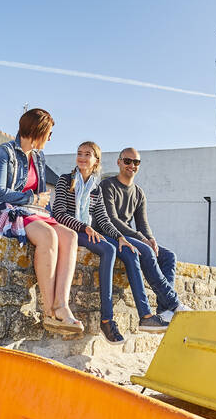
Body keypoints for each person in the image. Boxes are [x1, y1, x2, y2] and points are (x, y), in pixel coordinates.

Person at [52, 141, 171, 344]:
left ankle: (146, 316)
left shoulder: (95, 188)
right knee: (108, 249)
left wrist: (120, 237)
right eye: (79, 153)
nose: (82, 157)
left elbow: (104, 218)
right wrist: (84, 227)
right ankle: (107, 319)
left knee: (130, 251)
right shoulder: (65, 180)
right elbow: (59, 214)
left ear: (96, 160)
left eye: (87, 154)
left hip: (87, 230)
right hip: (71, 230)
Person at [0, 108, 83, 335]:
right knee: (48, 236)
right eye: (50, 133)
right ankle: (48, 310)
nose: (51, 138)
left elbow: (43, 195)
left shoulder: (38, 157)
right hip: (6, 211)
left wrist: (46, 210)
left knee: (70, 236)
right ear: (39, 130)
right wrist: (31, 198)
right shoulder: (3, 152)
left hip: (34, 212)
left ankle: (61, 306)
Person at [100, 147, 189, 322]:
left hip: (130, 236)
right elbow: (111, 219)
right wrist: (142, 239)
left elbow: (142, 223)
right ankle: (174, 303)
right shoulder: (107, 185)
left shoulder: (139, 192)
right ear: (119, 162)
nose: (131, 165)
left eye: (136, 162)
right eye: (127, 161)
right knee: (146, 252)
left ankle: (165, 311)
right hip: (110, 234)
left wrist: (151, 239)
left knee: (168, 256)